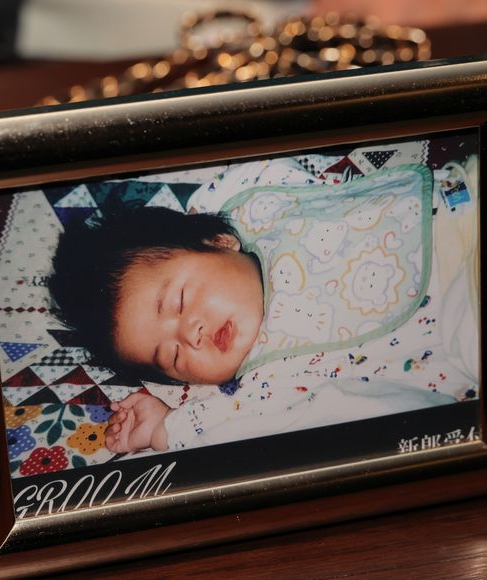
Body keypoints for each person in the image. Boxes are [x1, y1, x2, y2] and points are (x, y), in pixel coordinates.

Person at [49, 159, 479, 455]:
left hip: (463, 199)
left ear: (219, 242)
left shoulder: (266, 211)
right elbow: (234, 430)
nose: (191, 334)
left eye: (180, 301)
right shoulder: (267, 388)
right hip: (463, 319)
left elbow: (253, 166)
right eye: (174, 357)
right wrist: (166, 428)